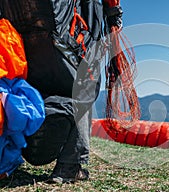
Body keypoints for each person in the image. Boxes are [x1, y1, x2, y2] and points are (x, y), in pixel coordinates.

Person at [0, 0, 114, 183]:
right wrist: (113, 13)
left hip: (22, 38)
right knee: (84, 88)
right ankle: (70, 166)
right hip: (62, 35)